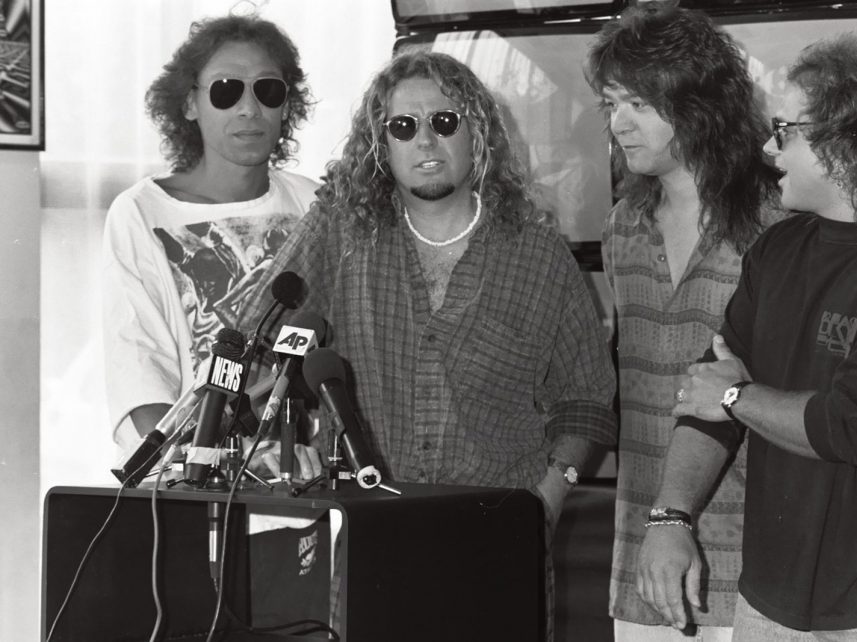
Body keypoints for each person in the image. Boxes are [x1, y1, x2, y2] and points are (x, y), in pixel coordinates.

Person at [237, 49, 618, 640]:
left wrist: (550, 497)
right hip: (367, 535)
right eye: (402, 126)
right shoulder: (342, 233)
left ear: (477, 133)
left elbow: (586, 398)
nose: (425, 140)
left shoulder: (538, 254)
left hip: (498, 542)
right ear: (381, 144)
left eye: (444, 121)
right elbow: (257, 341)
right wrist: (274, 445)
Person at [654, 34, 857, 640]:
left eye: (785, 130)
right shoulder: (778, 248)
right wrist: (670, 517)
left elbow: (854, 425)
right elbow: (707, 395)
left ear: (846, 141)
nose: (769, 148)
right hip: (767, 600)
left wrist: (735, 397)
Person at [101, 14, 325, 627]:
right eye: (226, 90)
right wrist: (202, 468)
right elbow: (138, 364)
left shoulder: (318, 205)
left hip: (296, 505)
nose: (249, 108)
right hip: (184, 506)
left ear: (287, 104)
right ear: (189, 104)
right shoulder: (141, 213)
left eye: (268, 90)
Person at [584, 5, 781, 640]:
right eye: (612, 104)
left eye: (639, 103)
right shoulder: (622, 227)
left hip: (762, 562)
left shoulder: (777, 224)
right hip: (644, 561)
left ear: (700, 105)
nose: (619, 124)